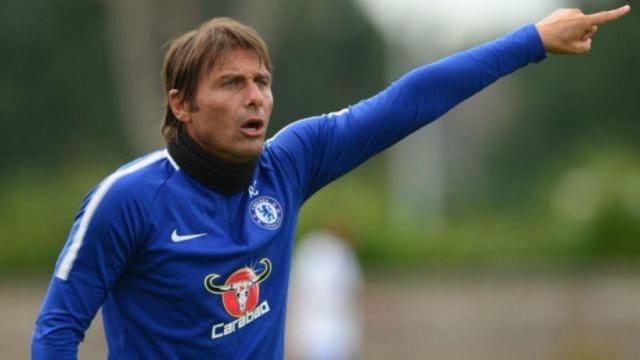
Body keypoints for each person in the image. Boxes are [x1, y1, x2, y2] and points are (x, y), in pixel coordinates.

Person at [32, 5, 630, 359]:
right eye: (231, 84)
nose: (255, 97)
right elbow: (57, 330)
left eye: (261, 81)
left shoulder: (287, 164)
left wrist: (530, 41)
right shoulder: (128, 199)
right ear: (180, 104)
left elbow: (406, 101)